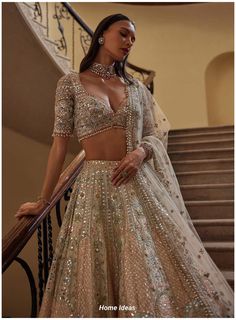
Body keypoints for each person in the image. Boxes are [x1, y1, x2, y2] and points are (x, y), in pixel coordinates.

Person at [15, 13, 234, 318]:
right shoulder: (70, 84)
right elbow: (59, 143)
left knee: (148, 269)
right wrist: (44, 199)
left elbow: (155, 134)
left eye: (133, 38)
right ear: (102, 35)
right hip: (94, 189)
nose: (130, 42)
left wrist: (140, 154)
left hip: (137, 184)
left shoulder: (136, 89)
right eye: (124, 34)